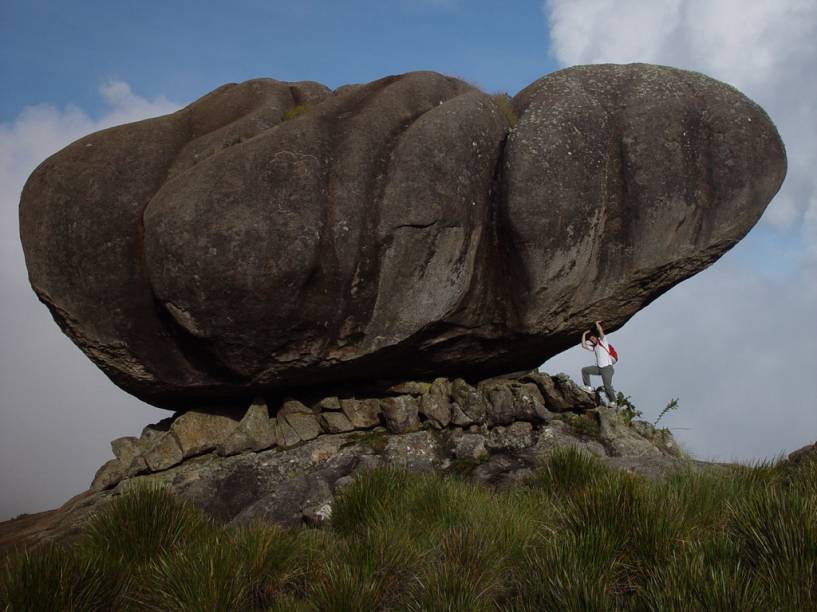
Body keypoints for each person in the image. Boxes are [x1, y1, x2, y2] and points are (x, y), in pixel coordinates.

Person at [580, 320, 617, 406]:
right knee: (585, 370)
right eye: (591, 339)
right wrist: (584, 334)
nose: (592, 339)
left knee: (607, 386)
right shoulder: (595, 348)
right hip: (599, 368)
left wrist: (597, 324)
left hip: (607, 368)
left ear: (596, 337)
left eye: (593, 338)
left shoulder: (603, 342)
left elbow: (601, 332)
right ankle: (588, 387)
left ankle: (613, 402)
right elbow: (583, 345)